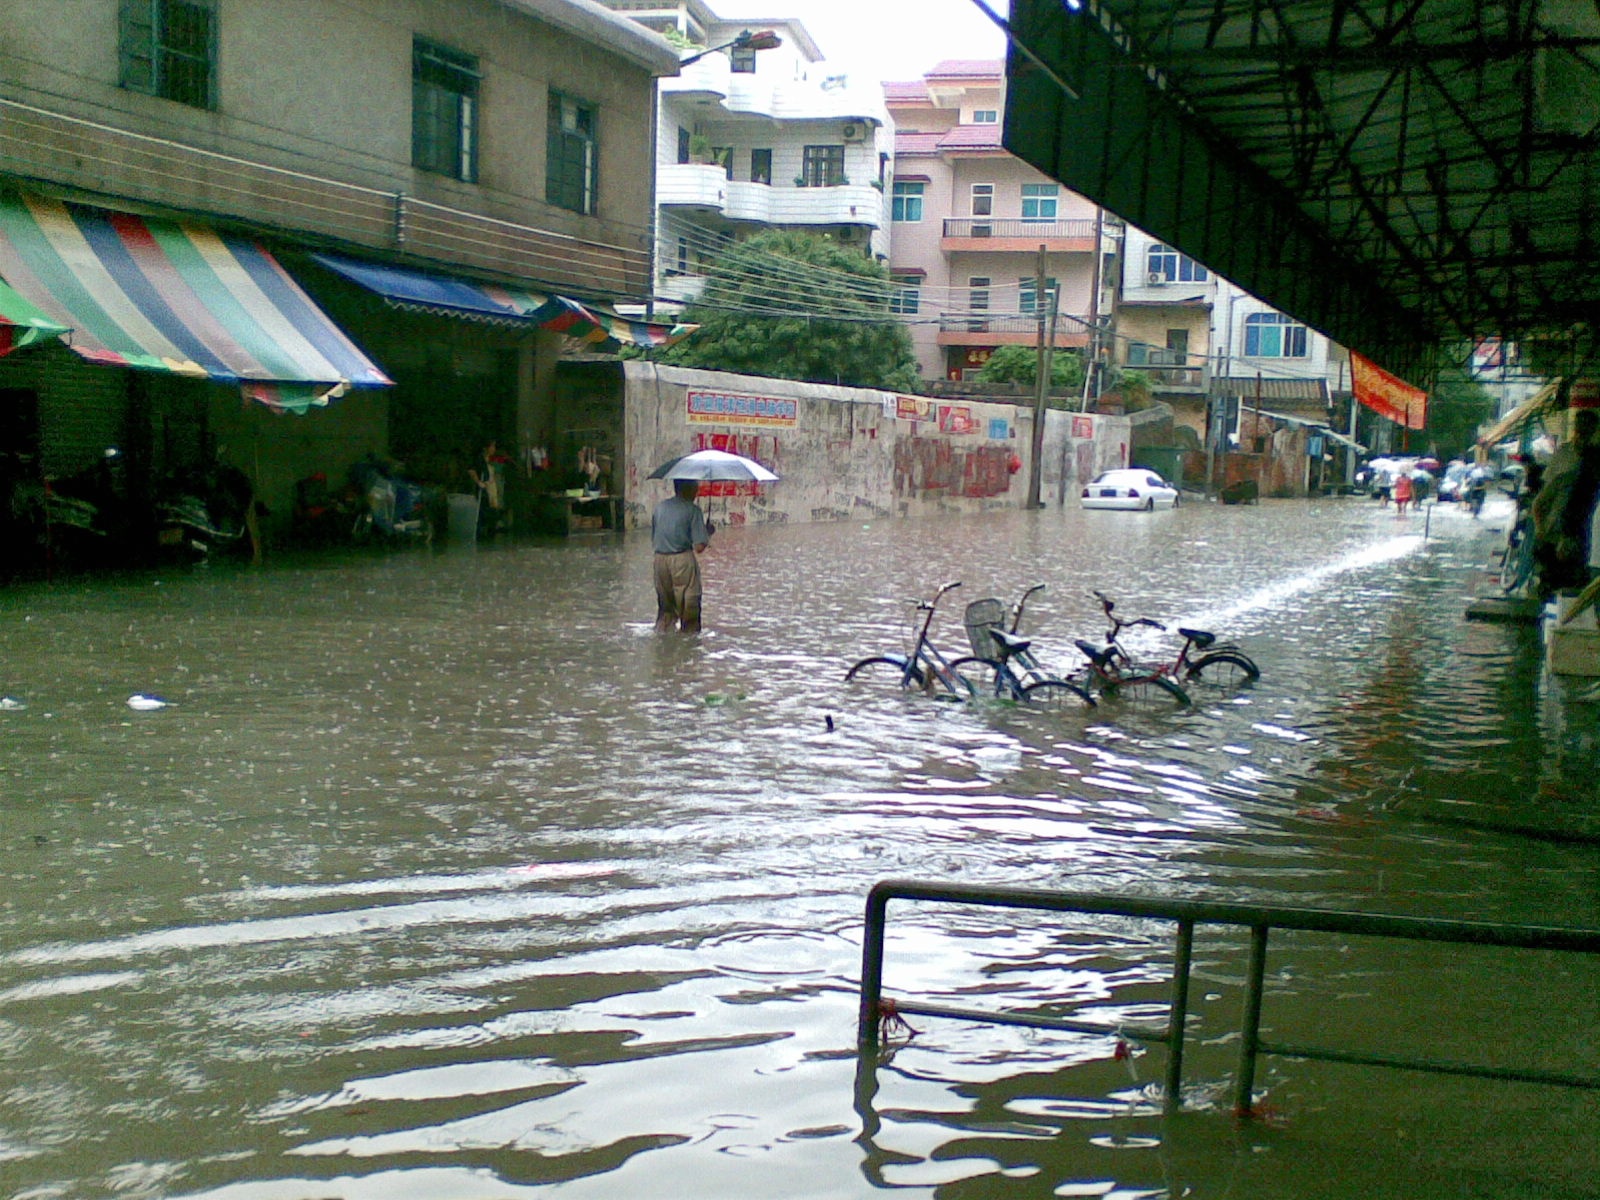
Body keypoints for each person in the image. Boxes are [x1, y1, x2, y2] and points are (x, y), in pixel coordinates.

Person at [652, 479, 712, 633]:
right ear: (688, 488)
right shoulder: (693, 510)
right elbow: (699, 547)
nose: (697, 490)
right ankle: (688, 644)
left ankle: (663, 640)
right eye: (695, 486)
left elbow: (654, 537)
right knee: (689, 611)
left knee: (665, 612)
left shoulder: (660, 508)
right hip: (682, 562)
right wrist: (707, 533)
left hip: (659, 561)